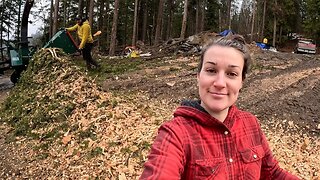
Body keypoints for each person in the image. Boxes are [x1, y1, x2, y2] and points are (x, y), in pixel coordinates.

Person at [140, 35, 300, 179]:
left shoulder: (251, 124)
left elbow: (272, 174)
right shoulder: (176, 134)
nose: (220, 83)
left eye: (231, 74)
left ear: (241, 82)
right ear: (198, 76)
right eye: (211, 70)